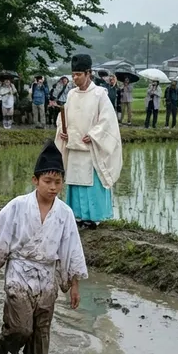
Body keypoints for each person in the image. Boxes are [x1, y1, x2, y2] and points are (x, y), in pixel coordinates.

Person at [0, 141, 87, 354]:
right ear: (35, 180)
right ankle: (2, 345)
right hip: (20, 272)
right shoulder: (19, 205)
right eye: (47, 181)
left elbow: (71, 249)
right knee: (21, 327)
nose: (53, 187)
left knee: (40, 331)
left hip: (47, 276)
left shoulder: (65, 214)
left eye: (58, 182)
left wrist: (74, 286)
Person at [55, 54, 122, 229]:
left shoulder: (100, 94)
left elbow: (107, 121)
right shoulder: (71, 94)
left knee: (91, 184)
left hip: (90, 147)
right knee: (75, 182)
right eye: (73, 75)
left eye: (78, 74)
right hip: (73, 146)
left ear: (88, 73)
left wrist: (93, 135)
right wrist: (63, 130)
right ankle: (76, 216)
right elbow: (63, 117)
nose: (75, 78)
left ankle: (93, 218)